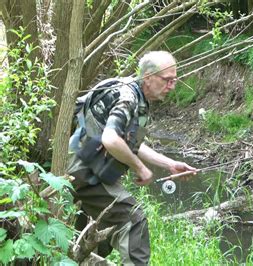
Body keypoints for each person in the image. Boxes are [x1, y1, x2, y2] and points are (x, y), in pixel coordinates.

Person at [67, 51, 196, 265]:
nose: (172, 85)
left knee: (92, 239)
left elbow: (128, 142)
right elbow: (110, 139)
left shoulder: (135, 95)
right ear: (148, 78)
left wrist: (170, 164)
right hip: (87, 172)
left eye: (175, 80)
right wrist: (139, 168)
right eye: (167, 80)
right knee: (133, 219)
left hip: (89, 170)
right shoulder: (128, 98)